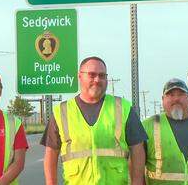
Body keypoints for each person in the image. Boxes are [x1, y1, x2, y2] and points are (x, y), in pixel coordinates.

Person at [41, 56, 147, 185]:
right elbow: (51, 154)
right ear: (79, 76)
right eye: (92, 75)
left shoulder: (123, 108)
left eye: (102, 76)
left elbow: (138, 150)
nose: (97, 80)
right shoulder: (61, 112)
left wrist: (137, 182)